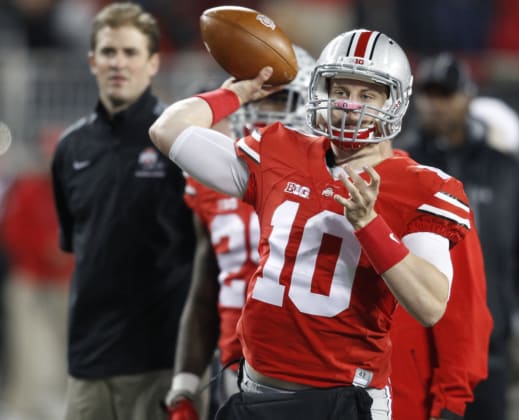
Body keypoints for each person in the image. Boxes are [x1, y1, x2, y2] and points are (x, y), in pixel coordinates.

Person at [150, 28, 472, 420]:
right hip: (254, 390)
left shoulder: (420, 185)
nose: (350, 106)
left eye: (367, 94)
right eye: (341, 91)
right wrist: (238, 93)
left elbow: (430, 305)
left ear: (395, 100)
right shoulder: (281, 150)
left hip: (342, 401)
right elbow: (167, 130)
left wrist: (369, 225)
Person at [50, 3, 195, 420]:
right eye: (109, 52)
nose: (119, 63)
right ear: (92, 60)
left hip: (160, 361)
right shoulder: (70, 148)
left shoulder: (181, 146)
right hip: (87, 364)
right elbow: (78, 245)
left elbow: (203, 250)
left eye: (131, 53)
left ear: (153, 63)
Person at [164, 45, 316, 420]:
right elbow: (205, 290)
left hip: (309, 371)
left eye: (281, 99)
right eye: (261, 96)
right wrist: (183, 383)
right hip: (232, 366)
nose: (268, 111)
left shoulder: (328, 177)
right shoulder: (212, 175)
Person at [403, 52, 519, 420]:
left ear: (467, 96)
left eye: (445, 94)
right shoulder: (403, 163)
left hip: (490, 343)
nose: (435, 105)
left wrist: (510, 303)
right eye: (428, 94)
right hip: (417, 342)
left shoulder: (505, 169)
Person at [0, 125, 74, 420]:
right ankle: (24, 406)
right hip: (29, 281)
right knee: (29, 348)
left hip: (65, 282)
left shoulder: (76, 192)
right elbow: (11, 233)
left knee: (66, 349)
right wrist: (44, 250)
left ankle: (59, 403)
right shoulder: (28, 188)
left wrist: (64, 251)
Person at [390, 215, 493, 420]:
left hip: (406, 397)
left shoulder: (436, 197)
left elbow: (464, 313)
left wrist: (451, 401)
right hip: (328, 383)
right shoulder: (324, 189)